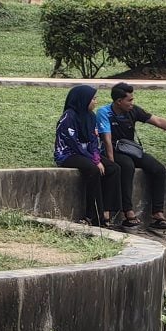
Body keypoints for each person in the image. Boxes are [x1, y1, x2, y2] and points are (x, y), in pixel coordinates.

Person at [97, 82, 166, 231]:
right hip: (112, 150)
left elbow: (158, 121)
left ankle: (158, 214)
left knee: (158, 169)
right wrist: (111, 162)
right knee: (127, 166)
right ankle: (128, 213)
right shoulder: (104, 112)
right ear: (118, 101)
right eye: (129, 100)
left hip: (130, 149)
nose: (132, 103)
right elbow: (106, 139)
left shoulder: (133, 111)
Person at [53, 85, 120, 228]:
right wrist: (94, 161)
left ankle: (106, 211)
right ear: (83, 100)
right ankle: (93, 215)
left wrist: (96, 157)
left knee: (113, 168)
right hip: (68, 154)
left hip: (87, 154)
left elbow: (93, 141)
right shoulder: (68, 116)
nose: (96, 102)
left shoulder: (91, 117)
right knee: (93, 170)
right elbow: (73, 143)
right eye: (93, 99)